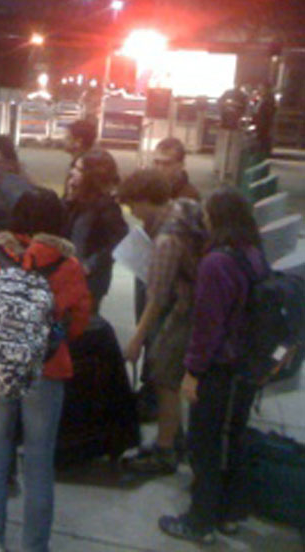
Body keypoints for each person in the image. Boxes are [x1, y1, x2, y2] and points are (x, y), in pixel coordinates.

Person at [0, 188, 91, 552]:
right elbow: (79, 326)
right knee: (40, 462)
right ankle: (33, 547)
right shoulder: (69, 266)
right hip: (47, 372)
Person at [159, 186, 265, 544]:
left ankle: (199, 522)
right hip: (248, 365)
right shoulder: (253, 253)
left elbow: (208, 327)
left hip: (221, 368)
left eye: (207, 213)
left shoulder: (216, 262)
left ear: (217, 218)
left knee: (204, 446)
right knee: (232, 440)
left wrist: (192, 372)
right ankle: (230, 513)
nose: (203, 218)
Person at [118, 170, 206, 475]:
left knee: (165, 375)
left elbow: (156, 297)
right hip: (202, 305)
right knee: (167, 372)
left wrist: (136, 339)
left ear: (146, 200)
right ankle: (173, 438)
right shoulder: (184, 207)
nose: (133, 214)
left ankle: (166, 450)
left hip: (188, 310)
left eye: (133, 206)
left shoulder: (167, 238)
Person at [136, 138, 200, 420]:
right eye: (157, 162)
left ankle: (155, 400)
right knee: (152, 338)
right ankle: (148, 390)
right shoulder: (153, 189)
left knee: (160, 343)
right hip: (150, 268)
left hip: (174, 286)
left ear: (181, 165)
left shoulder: (188, 196)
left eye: (167, 163)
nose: (160, 168)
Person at [63, 148, 127, 312]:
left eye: (79, 169)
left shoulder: (107, 207)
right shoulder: (77, 198)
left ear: (92, 176)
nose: (72, 172)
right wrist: (69, 198)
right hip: (69, 274)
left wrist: (91, 265)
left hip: (90, 280)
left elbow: (118, 242)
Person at [251, 82, 276, 158]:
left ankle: (263, 154)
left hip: (264, 122)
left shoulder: (269, 99)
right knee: (260, 137)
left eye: (261, 88)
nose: (260, 90)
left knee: (263, 138)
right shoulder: (262, 98)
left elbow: (268, 111)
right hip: (260, 121)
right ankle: (261, 153)